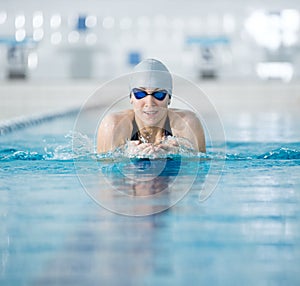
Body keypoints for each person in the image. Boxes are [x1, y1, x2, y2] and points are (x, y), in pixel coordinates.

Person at [97, 58, 206, 157]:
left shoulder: (187, 123)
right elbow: (104, 172)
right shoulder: (113, 126)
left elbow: (199, 169)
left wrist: (177, 155)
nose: (149, 103)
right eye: (140, 94)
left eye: (158, 94)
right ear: (131, 97)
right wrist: (126, 156)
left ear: (169, 98)